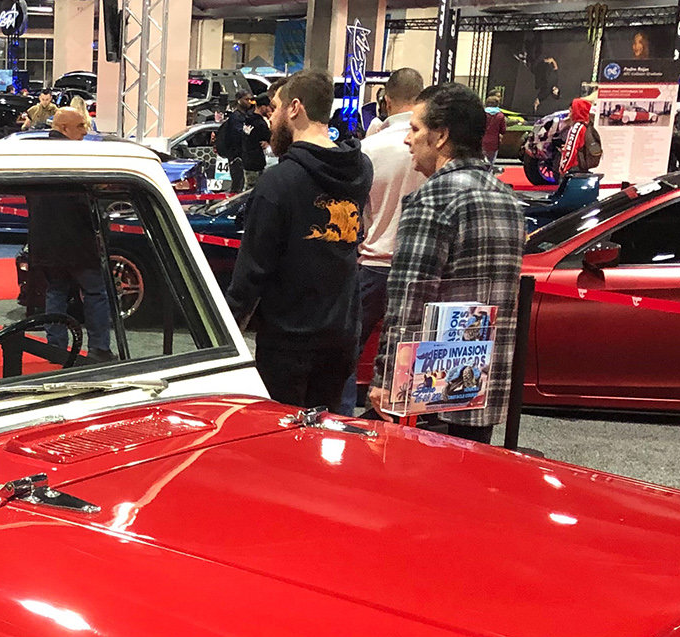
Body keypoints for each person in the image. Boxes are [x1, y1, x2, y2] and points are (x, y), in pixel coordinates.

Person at [378, 82, 525, 442]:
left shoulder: (431, 200)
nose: (407, 140)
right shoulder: (507, 197)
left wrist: (385, 382)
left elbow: (408, 301)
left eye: (415, 129)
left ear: (441, 136)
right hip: (481, 385)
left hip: (428, 394)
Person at [224, 70, 372, 411]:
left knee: (283, 444)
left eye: (274, 108)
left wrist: (225, 331)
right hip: (342, 336)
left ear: (294, 108)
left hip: (289, 342)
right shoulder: (360, 168)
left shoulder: (279, 181)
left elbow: (252, 271)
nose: (271, 117)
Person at [353, 67, 427, 410]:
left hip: (373, 263)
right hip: (420, 268)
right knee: (413, 356)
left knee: (347, 352)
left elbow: (358, 212)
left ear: (386, 99)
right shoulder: (435, 149)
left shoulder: (369, 148)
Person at [26, 103, 114, 360]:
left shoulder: (37, 155)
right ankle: (99, 348)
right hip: (76, 238)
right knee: (95, 292)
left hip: (45, 239)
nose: (85, 132)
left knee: (56, 292)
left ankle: (55, 348)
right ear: (64, 128)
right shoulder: (73, 155)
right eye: (80, 127)